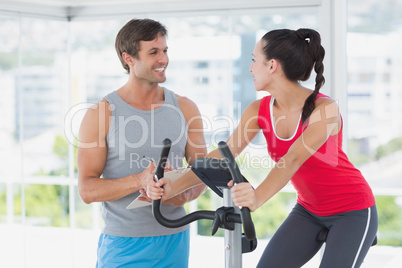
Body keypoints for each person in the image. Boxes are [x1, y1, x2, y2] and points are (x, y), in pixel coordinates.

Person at [146, 28, 378, 268]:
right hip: (309, 210)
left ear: (272, 66)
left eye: (254, 60)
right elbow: (222, 155)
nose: (250, 68)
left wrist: (256, 197)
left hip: (353, 210)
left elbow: (293, 159)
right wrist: (172, 186)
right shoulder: (258, 110)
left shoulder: (325, 109)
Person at [77, 18, 207, 268]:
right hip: (124, 244)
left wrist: (176, 193)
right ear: (129, 58)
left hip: (175, 238)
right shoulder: (101, 113)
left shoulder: (186, 108)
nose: (163, 59)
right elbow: (87, 190)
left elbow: (201, 174)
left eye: (165, 50)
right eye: (153, 52)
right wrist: (139, 180)